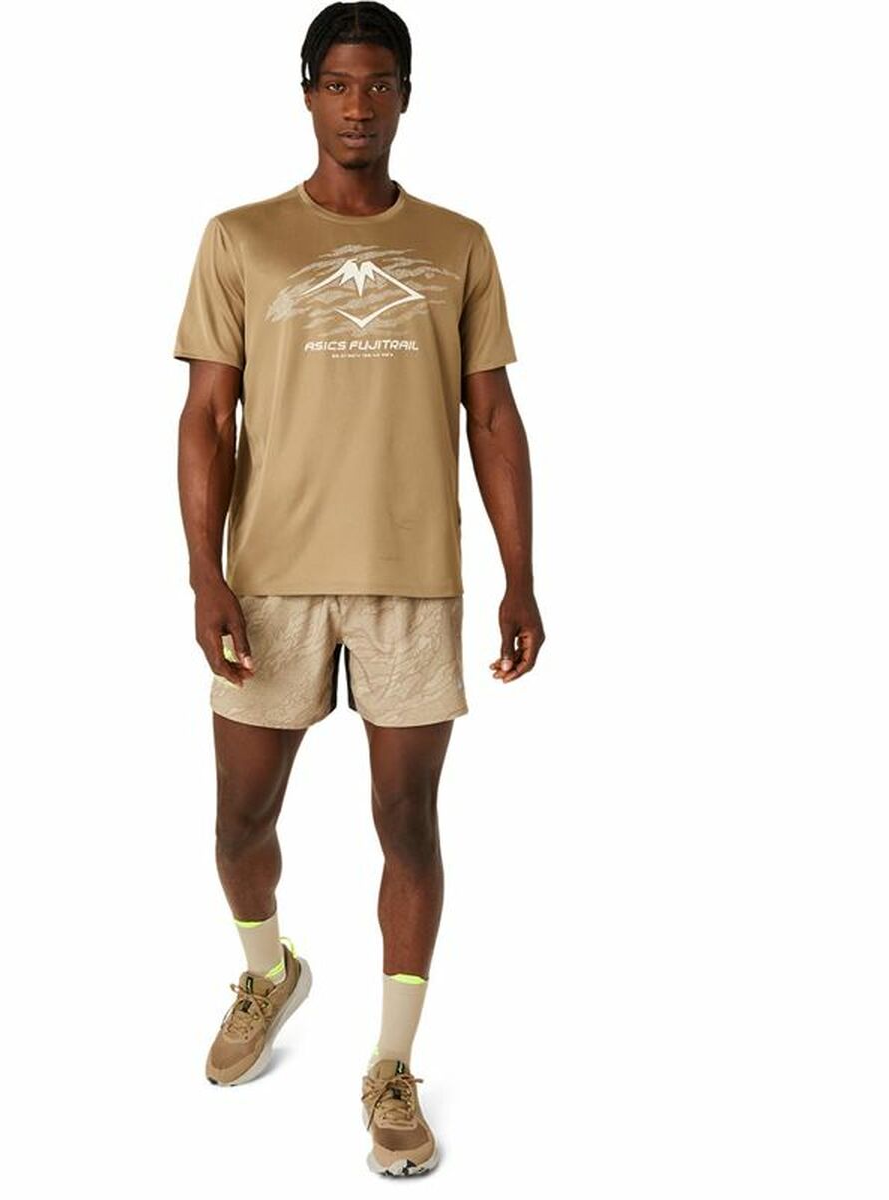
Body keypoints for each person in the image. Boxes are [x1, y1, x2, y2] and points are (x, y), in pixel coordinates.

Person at [173, 1, 543, 1177]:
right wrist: (205, 573)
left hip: (411, 582)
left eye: (379, 85)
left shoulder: (458, 243)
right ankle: (268, 972)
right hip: (270, 577)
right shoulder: (240, 237)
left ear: (406, 97)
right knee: (240, 822)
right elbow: (206, 416)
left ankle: (390, 1066)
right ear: (306, 94)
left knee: (406, 822)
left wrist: (521, 577)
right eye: (337, 84)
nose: (358, 106)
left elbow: (493, 416)